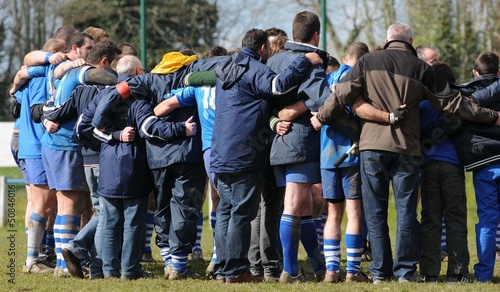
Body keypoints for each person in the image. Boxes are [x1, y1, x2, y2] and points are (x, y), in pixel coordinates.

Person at [312, 22, 500, 284]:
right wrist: (491, 117)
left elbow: (341, 94)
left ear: (388, 40)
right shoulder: (420, 68)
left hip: (372, 148)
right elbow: (453, 102)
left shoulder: (366, 61)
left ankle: (379, 272)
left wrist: (321, 116)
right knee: (406, 212)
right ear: (411, 41)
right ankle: (404, 271)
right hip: (407, 148)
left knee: (375, 212)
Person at [210, 28, 322, 284]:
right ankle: (238, 271)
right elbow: (278, 85)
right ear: (263, 49)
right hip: (244, 153)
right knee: (242, 212)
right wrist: (305, 61)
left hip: (221, 152)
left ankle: (224, 270)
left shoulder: (225, 69)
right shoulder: (255, 68)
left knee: (227, 210)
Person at [266, 11, 329, 283]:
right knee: (294, 203)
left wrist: (277, 117)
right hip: (300, 140)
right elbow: (322, 99)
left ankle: (317, 264)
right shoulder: (312, 60)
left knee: (300, 205)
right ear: (315, 35)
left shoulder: (274, 58)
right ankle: (290, 270)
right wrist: (300, 107)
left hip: (277, 141)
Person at [320, 41, 370, 283]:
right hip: (351, 153)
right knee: (355, 212)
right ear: (362, 61)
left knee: (333, 213)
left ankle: (331, 270)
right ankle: (351, 271)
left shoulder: (328, 77)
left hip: (327, 154)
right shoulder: (357, 79)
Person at [418, 62, 472, 283]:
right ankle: (457, 273)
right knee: (455, 217)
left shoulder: (422, 104)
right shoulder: (457, 103)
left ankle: (429, 273)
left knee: (431, 220)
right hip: (452, 165)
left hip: (428, 166)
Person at [452, 52, 500, 282]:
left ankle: (484, 275)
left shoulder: (465, 93)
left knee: (488, 220)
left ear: (474, 72)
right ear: (498, 72)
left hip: (484, 164)